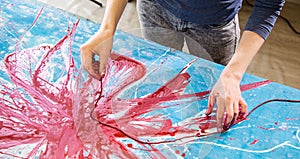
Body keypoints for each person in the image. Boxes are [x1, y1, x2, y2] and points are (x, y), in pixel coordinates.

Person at [80, 0, 285, 132]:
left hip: (214, 25)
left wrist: (232, 75)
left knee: (209, 101)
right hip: (155, 11)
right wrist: (107, 28)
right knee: (163, 82)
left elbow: (269, 5)